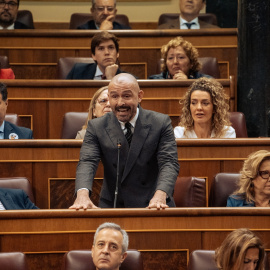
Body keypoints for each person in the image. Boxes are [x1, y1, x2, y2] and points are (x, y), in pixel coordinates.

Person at [69, 73, 179, 209]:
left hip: (154, 204)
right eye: (114, 96)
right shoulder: (96, 126)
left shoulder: (160, 123)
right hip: (114, 204)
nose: (120, 103)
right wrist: (82, 196)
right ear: (109, 98)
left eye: (126, 96)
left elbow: (169, 163)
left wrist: (160, 195)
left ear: (139, 96)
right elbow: (87, 162)